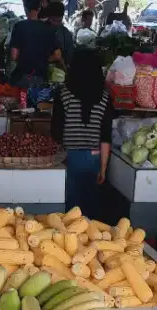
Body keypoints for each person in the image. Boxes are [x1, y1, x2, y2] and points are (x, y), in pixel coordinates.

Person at [50, 48, 112, 217]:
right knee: (89, 207)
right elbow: (106, 137)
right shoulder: (105, 97)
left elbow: (56, 131)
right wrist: (103, 169)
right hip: (94, 157)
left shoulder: (63, 93)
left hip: (68, 157)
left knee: (69, 207)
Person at [10, 0, 63, 84]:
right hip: (41, 78)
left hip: (22, 77)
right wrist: (42, 60)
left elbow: (14, 56)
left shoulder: (19, 26)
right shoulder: (49, 29)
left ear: (25, 9)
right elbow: (58, 56)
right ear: (39, 8)